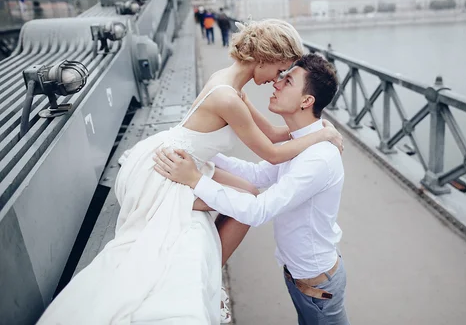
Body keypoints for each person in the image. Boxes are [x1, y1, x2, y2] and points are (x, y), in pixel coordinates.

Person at [36, 20, 343, 325]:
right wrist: (321, 135)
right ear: (265, 58)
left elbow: (276, 137)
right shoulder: (229, 97)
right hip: (169, 164)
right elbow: (274, 154)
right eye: (280, 71)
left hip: (184, 156)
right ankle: (208, 279)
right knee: (239, 203)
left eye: (285, 76)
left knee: (248, 193)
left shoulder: (230, 85)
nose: (276, 80)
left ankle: (209, 276)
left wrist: (314, 133)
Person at [155, 53, 350, 325]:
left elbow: (258, 210)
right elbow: (258, 173)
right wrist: (202, 150)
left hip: (317, 284)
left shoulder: (317, 158)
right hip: (301, 276)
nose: (277, 83)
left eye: (288, 80)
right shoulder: (303, 142)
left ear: (307, 101)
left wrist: (195, 180)